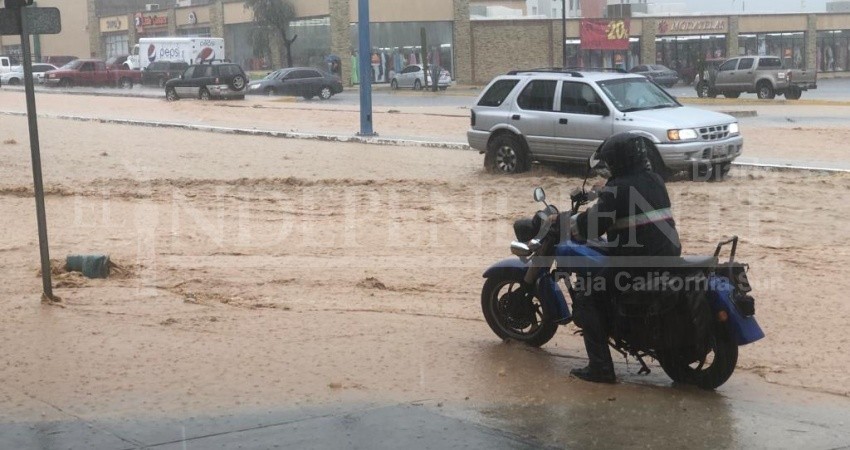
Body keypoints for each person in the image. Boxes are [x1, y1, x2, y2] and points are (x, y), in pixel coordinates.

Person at [567, 132, 682, 383]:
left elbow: (592, 226)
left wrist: (568, 222)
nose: (608, 167)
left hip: (637, 261)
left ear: (618, 161)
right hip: (668, 254)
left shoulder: (617, 189)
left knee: (588, 297)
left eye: (610, 162)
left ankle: (601, 368)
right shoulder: (655, 179)